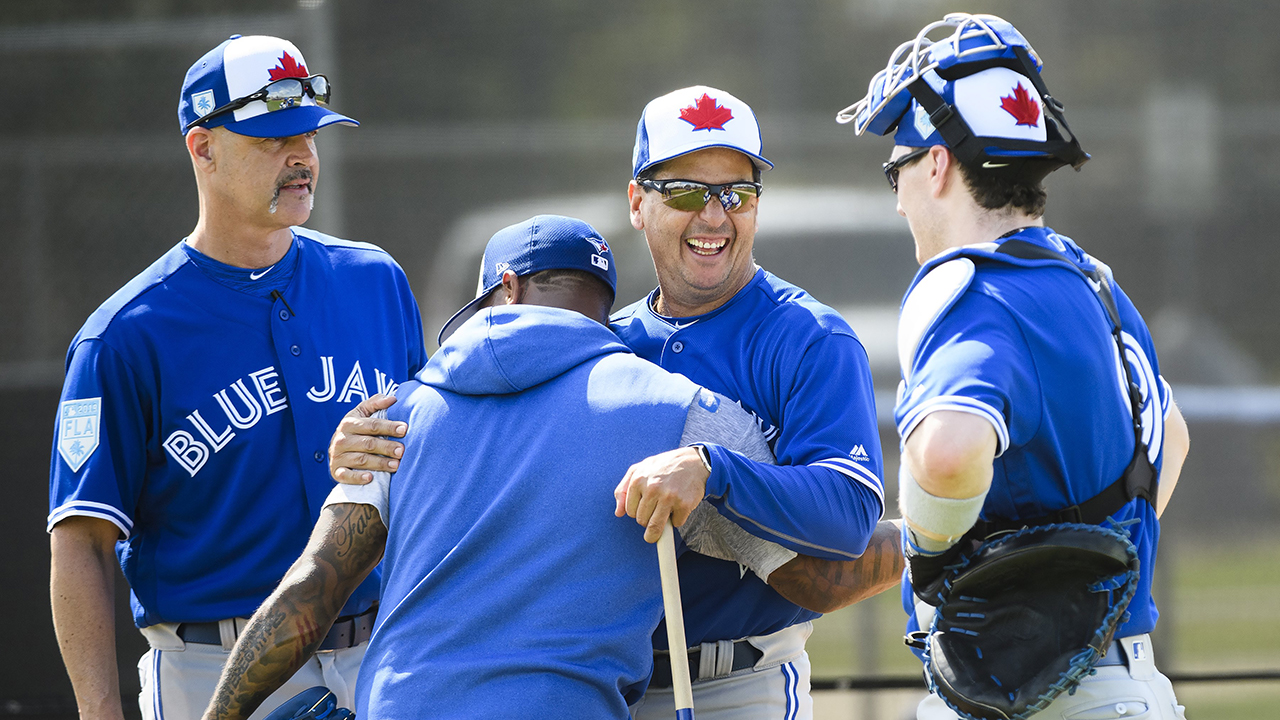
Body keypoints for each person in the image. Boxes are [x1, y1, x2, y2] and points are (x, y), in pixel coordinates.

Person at [330, 85, 899, 720]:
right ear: (637, 202)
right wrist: (369, 443)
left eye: (736, 193)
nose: (714, 216)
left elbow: (848, 515)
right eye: (686, 191)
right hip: (600, 688)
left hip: (735, 680)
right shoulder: (604, 346)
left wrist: (715, 471)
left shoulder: (810, 339)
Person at [199, 215, 805, 720]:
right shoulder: (678, 408)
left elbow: (311, 589)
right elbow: (809, 558)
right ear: (602, 306)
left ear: (506, 288)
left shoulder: (396, 415)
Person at [47, 34, 426, 720]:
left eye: (308, 134)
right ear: (202, 148)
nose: (302, 156)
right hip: (210, 664)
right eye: (270, 139)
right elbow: (81, 543)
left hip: (381, 653)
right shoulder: (125, 334)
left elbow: (437, 459)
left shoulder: (375, 281)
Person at [837, 13, 1190, 719]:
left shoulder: (971, 290)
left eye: (895, 171)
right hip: (1131, 684)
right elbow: (1171, 439)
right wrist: (1083, 563)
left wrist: (928, 548)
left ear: (935, 164)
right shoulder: (1092, 279)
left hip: (1029, 696)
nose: (899, 197)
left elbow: (946, 454)